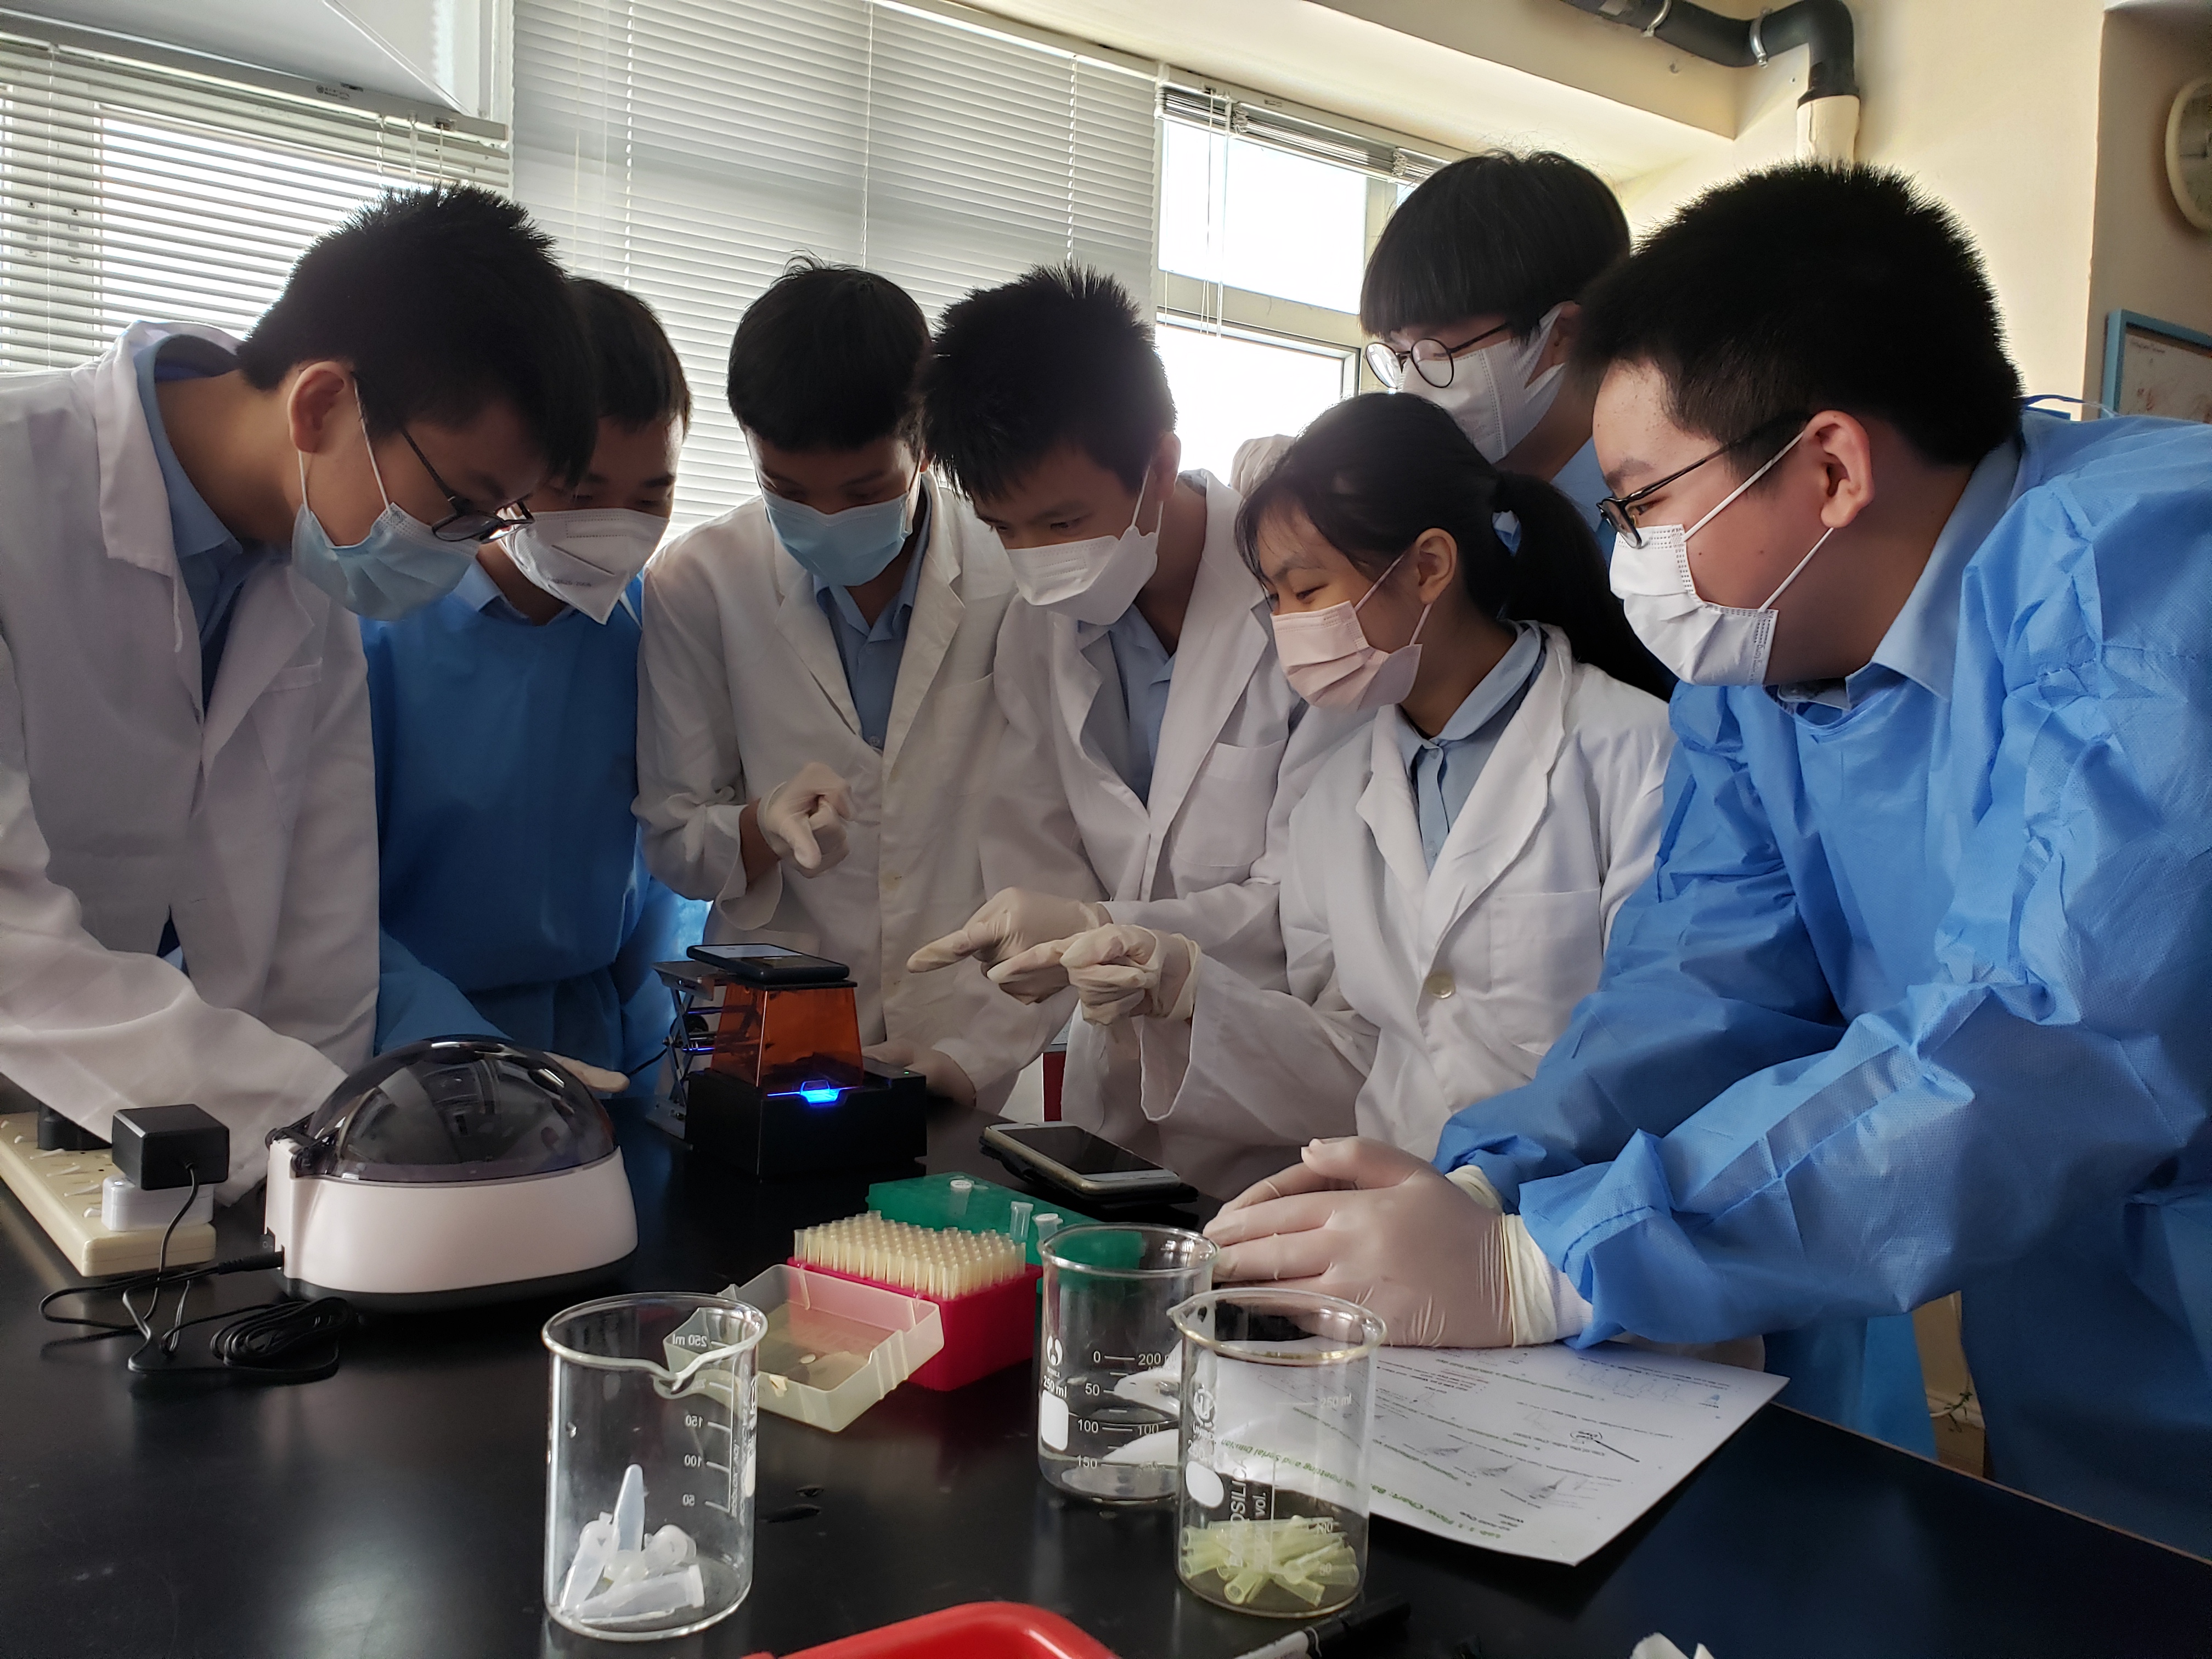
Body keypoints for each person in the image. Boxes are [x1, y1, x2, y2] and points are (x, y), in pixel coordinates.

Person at [1203, 161, 2212, 1540]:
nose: (1626, 557)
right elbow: (1701, 986)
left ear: (1832, 469)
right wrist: (1489, 1182)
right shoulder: (1761, 667)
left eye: (1641, 505)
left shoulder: (2145, 577)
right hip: (2084, 1344)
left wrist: (1548, 1268)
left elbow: (2047, 1038)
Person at [0, 184, 593, 1201]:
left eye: (487, 522)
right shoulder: (17, 486)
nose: (460, 552)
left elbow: (319, 942)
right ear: (321, 404)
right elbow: (13, 953)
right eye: (458, 504)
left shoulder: (309, 567)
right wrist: (331, 1131)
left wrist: (343, 1171)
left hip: (122, 1141)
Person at [1044, 393, 1671, 1166]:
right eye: (1274, 599)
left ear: (1429, 567)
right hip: (1398, 1210)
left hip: (1570, 1213)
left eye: (1307, 591)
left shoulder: (1634, 753)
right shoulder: (1337, 799)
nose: (1288, 626)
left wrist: (1490, 1195)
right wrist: (1186, 995)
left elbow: (1654, 1041)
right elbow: (1354, 1059)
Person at [909, 266, 1361, 1198]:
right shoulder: (1039, 631)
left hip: (1284, 1104)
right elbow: (1040, 861)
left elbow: (1300, 903)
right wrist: (966, 1052)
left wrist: (1106, 928)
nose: (1037, 558)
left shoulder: (1304, 608)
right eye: (1004, 529)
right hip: (1109, 1121)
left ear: (1159, 464)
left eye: (1063, 520)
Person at [635, 260, 1053, 1112]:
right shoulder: (699, 583)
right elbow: (675, 840)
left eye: (864, 491)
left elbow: (1056, 838)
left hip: (972, 1030)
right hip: (771, 1034)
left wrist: (974, 1057)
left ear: (926, 444)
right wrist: (760, 827)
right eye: (787, 492)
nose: (825, 519)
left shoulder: (1014, 570)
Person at [366, 277, 699, 1091]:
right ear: (504, 469)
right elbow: (312, 906)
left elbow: (668, 892)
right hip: (398, 1044)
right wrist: (461, 1048)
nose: (618, 526)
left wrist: (672, 1065)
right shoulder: (379, 628)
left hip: (601, 1040)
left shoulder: (656, 633)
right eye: (582, 494)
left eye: (651, 496)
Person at [1360, 151, 1630, 549]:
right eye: (1401, 356)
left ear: (1565, 335)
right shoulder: (1451, 527)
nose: (1412, 390)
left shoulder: (1665, 519)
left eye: (1439, 352)